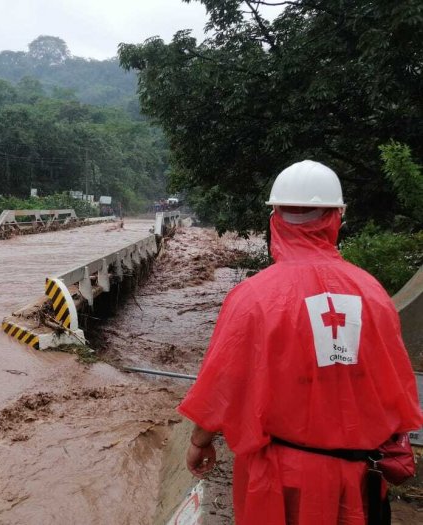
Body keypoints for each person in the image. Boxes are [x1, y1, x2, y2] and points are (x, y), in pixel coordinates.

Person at [177, 160, 423, 525]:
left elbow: (223, 384)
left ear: (275, 217)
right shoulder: (372, 293)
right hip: (358, 480)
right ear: (337, 217)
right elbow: (395, 387)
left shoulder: (252, 297)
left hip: (277, 479)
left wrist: (200, 441)